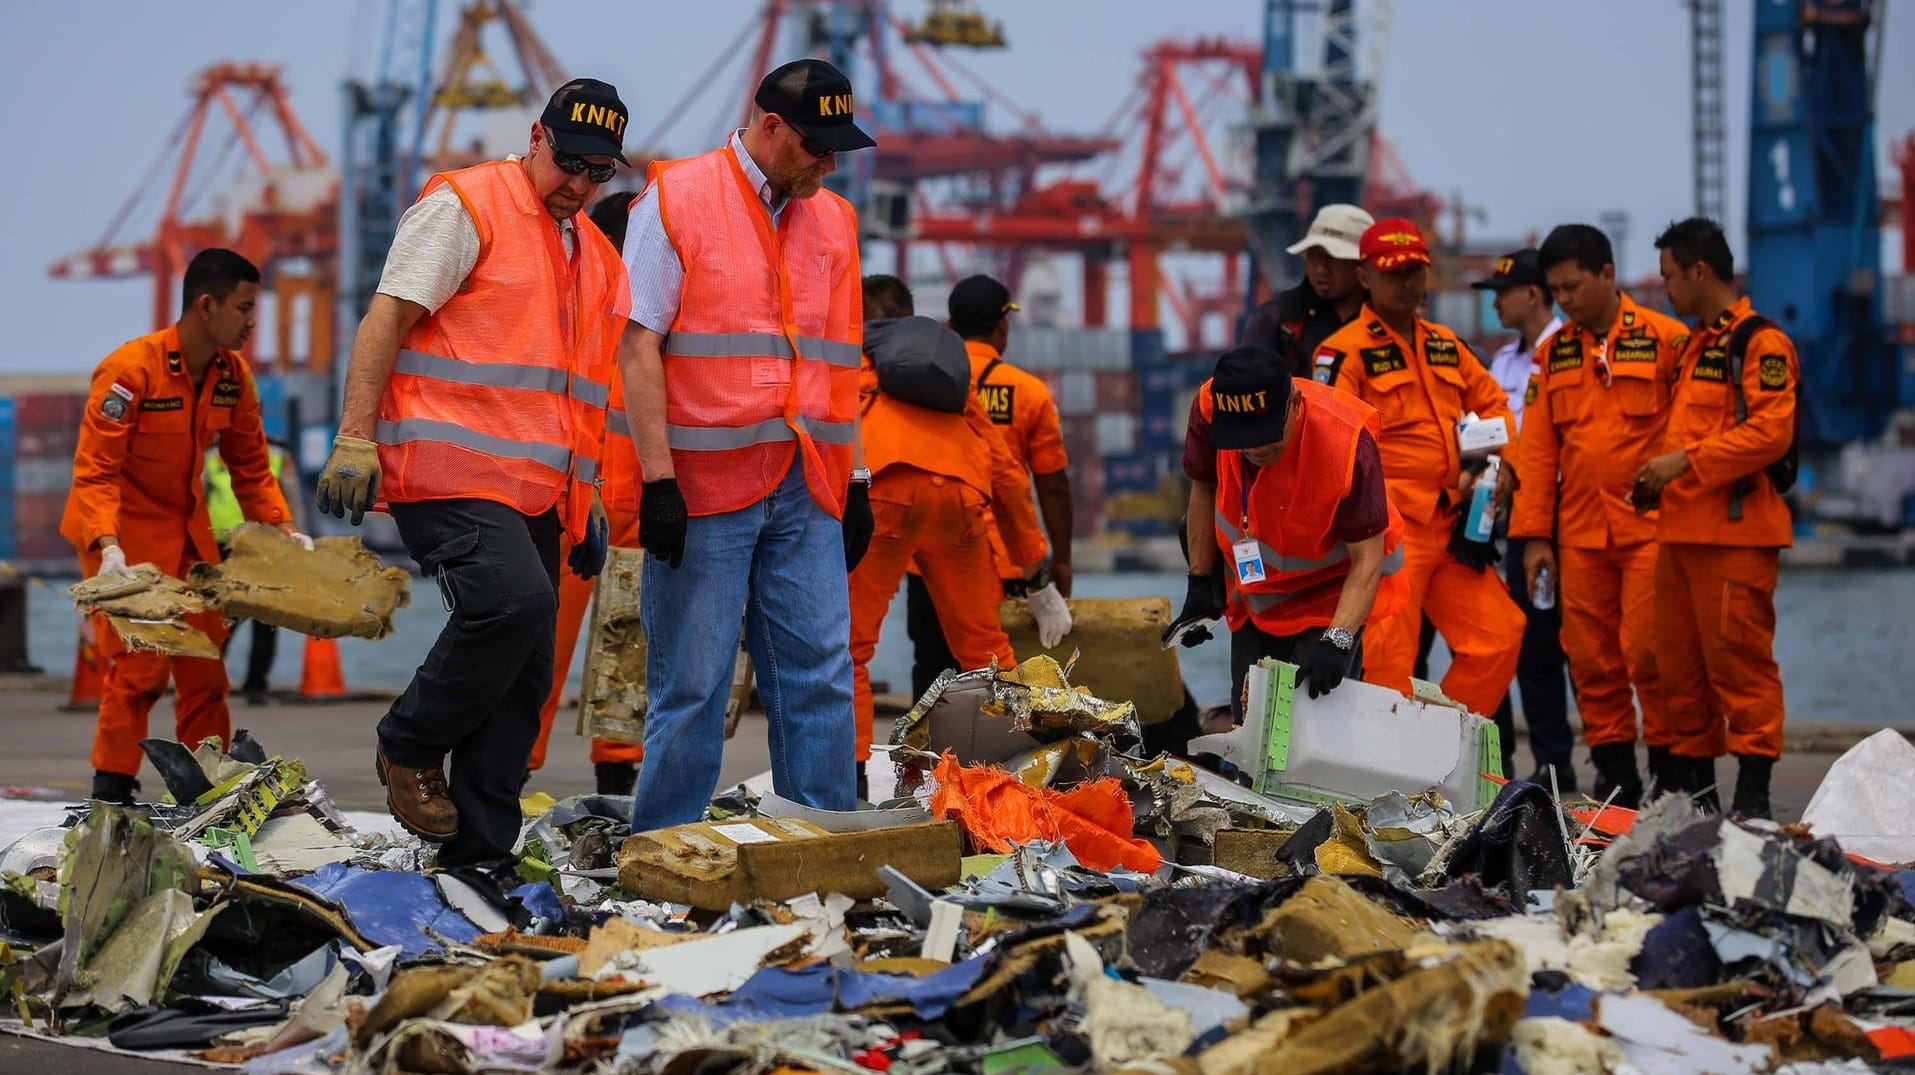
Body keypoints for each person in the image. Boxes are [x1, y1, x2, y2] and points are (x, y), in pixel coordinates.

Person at [315, 79, 631, 863]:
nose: (580, 187)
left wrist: (585, 494)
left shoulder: (594, 254)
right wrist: (355, 438)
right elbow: (386, 315)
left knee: (526, 672)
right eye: (569, 165)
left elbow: (583, 393)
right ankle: (408, 741)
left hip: (537, 490)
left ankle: (480, 858)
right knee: (511, 603)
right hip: (446, 466)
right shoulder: (467, 206)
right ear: (535, 137)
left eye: (600, 174)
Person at [617, 59, 876, 830]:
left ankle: (820, 841)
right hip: (703, 487)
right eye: (815, 146)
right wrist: (658, 482)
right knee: (692, 684)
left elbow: (838, 362)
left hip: (806, 484)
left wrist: (855, 476)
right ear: (768, 126)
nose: (828, 164)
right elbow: (636, 347)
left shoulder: (833, 220)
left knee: (820, 677)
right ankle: (661, 848)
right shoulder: (677, 199)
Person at [61, 248, 309, 805]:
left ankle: (204, 790)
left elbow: (250, 465)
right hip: (121, 540)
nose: (253, 322)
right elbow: (95, 472)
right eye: (245, 308)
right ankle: (113, 791)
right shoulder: (131, 371)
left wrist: (284, 531)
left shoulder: (231, 375)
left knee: (204, 667)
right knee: (140, 668)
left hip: (185, 536)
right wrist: (107, 546)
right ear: (206, 305)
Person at [851, 274, 1064, 795]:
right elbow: (1008, 473)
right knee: (985, 648)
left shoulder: (855, 362)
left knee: (850, 649)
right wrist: (1036, 570)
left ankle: (849, 777)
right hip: (961, 500)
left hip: (886, 492)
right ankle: (1029, 767)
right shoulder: (951, 374)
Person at [1513, 226, 1688, 807]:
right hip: (1580, 534)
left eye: (1572, 286)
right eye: (1555, 290)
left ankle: (1671, 768)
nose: (1563, 300)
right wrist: (1536, 537)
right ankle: (1616, 776)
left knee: (1648, 652)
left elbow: (1693, 433)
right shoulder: (1552, 353)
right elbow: (1537, 451)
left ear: (1608, 275)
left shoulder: (1667, 340)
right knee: (1590, 658)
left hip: (1652, 529)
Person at [1325, 218, 1525, 720]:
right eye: (1394, 272)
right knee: (1391, 664)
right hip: (1391, 530)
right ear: (1365, 276)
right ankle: (1389, 782)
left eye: (1415, 270)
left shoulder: (1446, 345)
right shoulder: (1344, 353)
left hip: (1452, 521)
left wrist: (1497, 468)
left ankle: (1445, 748)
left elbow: (1497, 406)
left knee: (1500, 634)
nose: (1408, 282)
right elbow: (1335, 441)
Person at [1635, 217, 1797, 818]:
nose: (1666, 288)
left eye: (1670, 276)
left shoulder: (1758, 343)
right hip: (1679, 535)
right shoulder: (1693, 346)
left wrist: (1686, 462)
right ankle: (1697, 801)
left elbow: (1771, 433)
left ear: (1700, 271)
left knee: (1742, 667)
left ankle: (1753, 800)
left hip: (1733, 537)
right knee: (1679, 672)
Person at [1166, 346, 1406, 713]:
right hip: (1257, 597)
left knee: (1315, 717)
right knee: (1251, 719)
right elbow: (1203, 487)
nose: (1255, 448)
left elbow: (1367, 558)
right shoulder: (1208, 408)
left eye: (1266, 434)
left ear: (1295, 403)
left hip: (1332, 594)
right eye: (1242, 438)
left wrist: (1338, 639)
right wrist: (1200, 582)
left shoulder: (1348, 445)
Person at [905, 273, 1074, 698]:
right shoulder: (1029, 393)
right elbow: (1052, 485)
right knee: (1000, 672)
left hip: (927, 556)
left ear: (949, 326)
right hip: (1006, 563)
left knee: (932, 670)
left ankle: (925, 758)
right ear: (1003, 326)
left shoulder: (920, 385)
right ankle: (994, 759)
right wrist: (1061, 560)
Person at [530, 194, 646, 796]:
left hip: (601, 497)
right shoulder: (588, 306)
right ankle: (602, 773)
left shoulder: (597, 307)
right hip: (580, 498)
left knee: (615, 639)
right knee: (559, 639)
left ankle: (611, 776)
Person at [1468, 249, 1574, 790]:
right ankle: (1519, 765)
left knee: (1555, 646)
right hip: (1510, 520)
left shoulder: (1567, 351)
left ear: (1532, 293)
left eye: (1501, 292)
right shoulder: (1503, 363)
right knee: (1519, 642)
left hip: (1561, 520)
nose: (1494, 302)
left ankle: (1559, 763)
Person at [205, 434, 303, 704]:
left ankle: (255, 685)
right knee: (225, 614)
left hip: (266, 542)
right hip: (222, 544)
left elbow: (291, 497)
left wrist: (297, 538)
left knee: (265, 618)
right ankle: (207, 681)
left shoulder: (278, 453)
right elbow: (199, 498)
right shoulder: (209, 453)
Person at [1240, 204, 1376, 379]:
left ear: (1362, 265)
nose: (1321, 269)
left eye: (1333, 258)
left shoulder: (1390, 320)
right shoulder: (1276, 319)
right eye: (1314, 256)